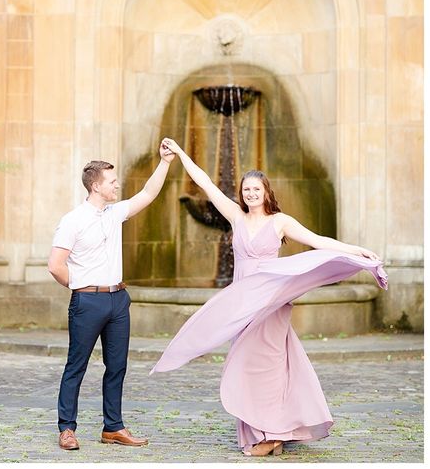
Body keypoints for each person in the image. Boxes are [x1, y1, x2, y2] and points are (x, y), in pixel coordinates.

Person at [152, 138, 387, 457]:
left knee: (269, 367)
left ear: (266, 192)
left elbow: (317, 241)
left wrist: (355, 250)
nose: (250, 194)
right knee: (244, 365)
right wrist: (179, 154)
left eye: (256, 190)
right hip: (242, 307)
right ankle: (263, 431)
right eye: (246, 189)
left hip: (271, 305)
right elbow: (205, 184)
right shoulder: (235, 216)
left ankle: (274, 434)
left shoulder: (280, 222)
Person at [48, 142, 175, 451]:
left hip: (119, 300)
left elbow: (148, 194)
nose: (117, 184)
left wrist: (165, 162)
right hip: (87, 301)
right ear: (96, 186)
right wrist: (80, 287)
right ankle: (67, 428)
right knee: (76, 365)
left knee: (117, 365)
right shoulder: (73, 220)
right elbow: (55, 265)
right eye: (112, 181)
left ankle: (113, 428)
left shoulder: (115, 213)